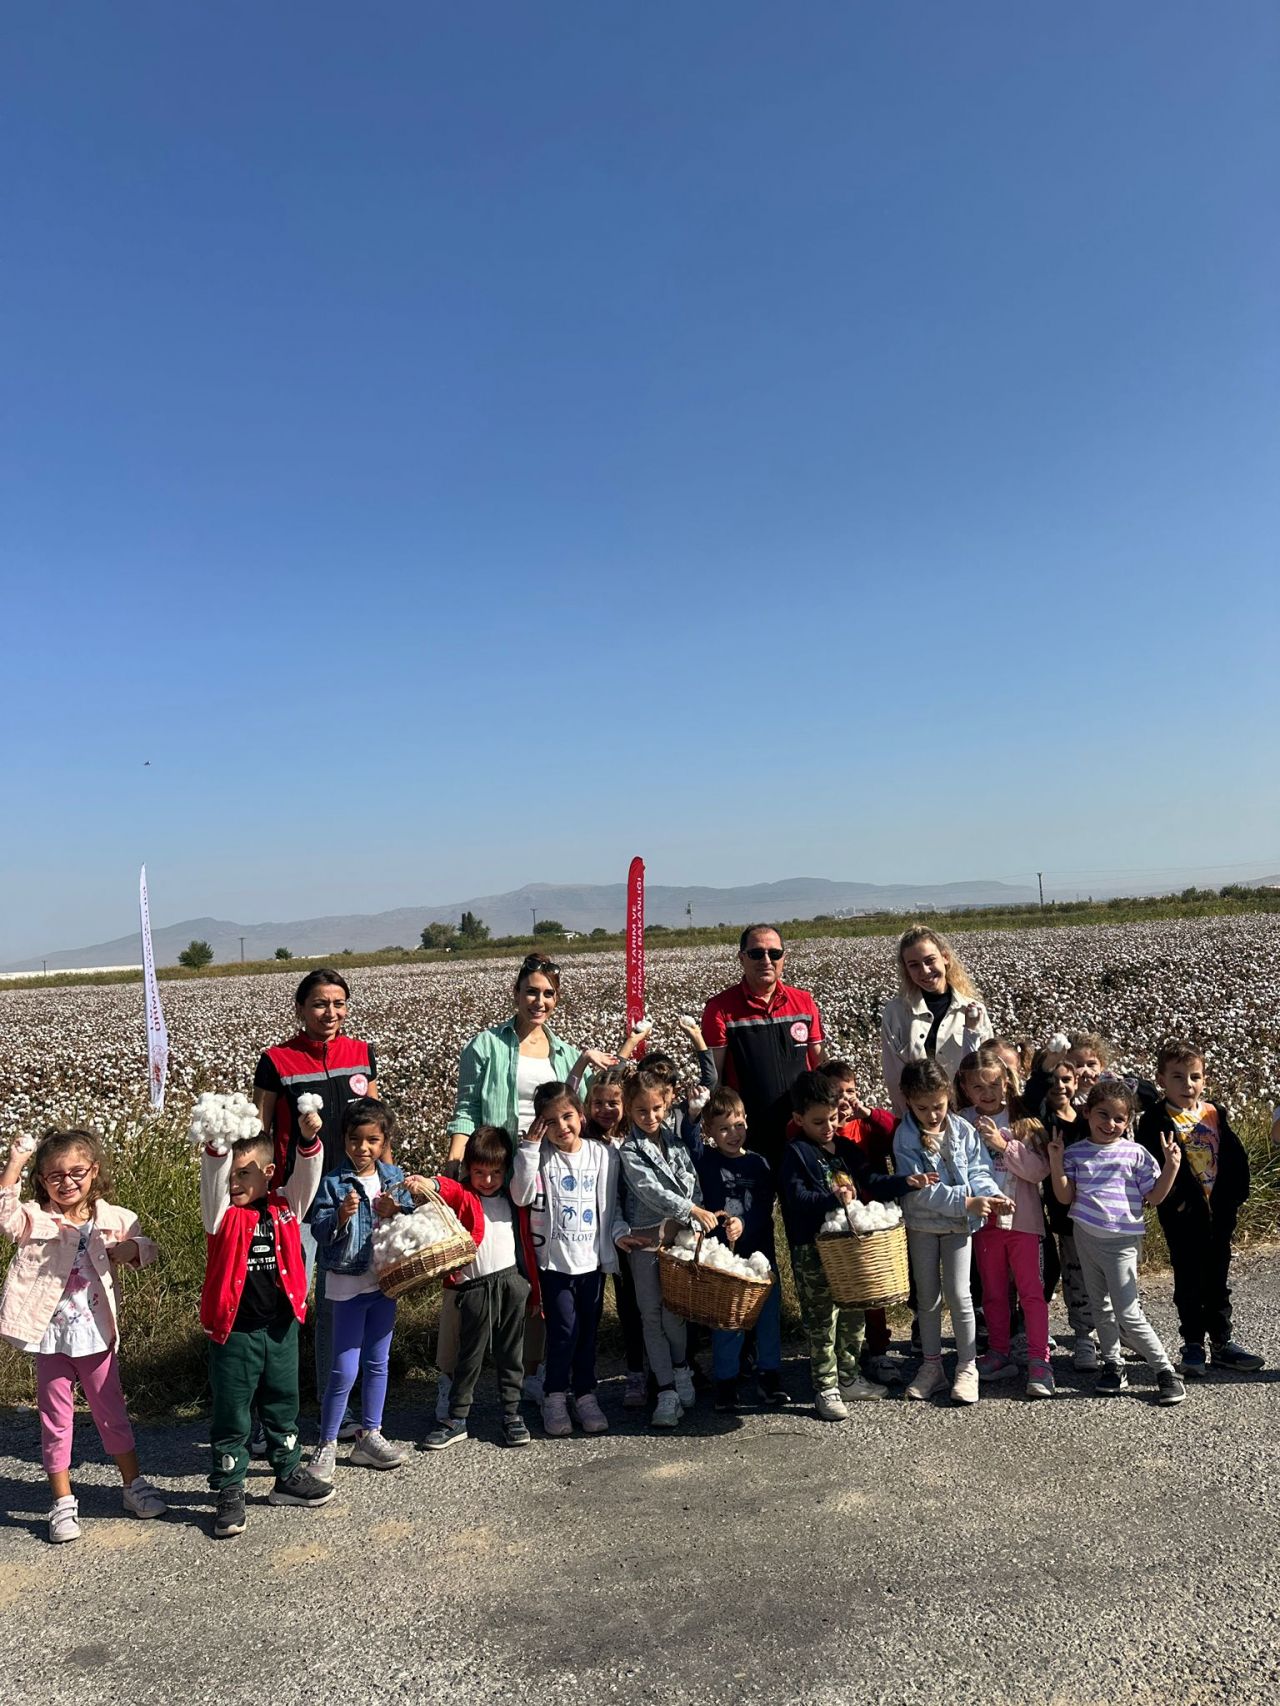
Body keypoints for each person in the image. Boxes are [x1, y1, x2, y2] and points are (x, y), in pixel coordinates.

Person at [438, 954, 613, 1418]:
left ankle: (532, 1375)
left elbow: (585, 1110)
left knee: (534, 1275)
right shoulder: (486, 1045)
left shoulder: (567, 1054)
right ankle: (449, 1378)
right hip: (491, 1175)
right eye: (532, 991)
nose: (540, 1001)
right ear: (515, 994)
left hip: (545, 1179)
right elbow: (465, 1110)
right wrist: (455, 1166)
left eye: (548, 994)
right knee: (466, 1275)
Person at [0, 1129, 167, 1544]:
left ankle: (133, 1484)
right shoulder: (34, 1219)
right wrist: (15, 1162)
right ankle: (62, 1501)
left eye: (76, 1172)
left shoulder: (114, 1218)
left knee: (112, 1413)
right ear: (41, 1180)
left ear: (94, 1172)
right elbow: (4, 1215)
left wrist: (132, 1249)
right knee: (55, 1420)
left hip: (96, 1336)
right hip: (49, 1338)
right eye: (54, 1176)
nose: (67, 1182)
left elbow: (146, 1247)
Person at [253, 967, 379, 1431]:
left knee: (335, 1307)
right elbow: (258, 1134)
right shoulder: (276, 1060)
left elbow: (376, 1124)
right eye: (320, 1004)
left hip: (352, 1198)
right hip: (297, 1201)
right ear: (301, 1009)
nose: (331, 1012)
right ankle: (271, 1417)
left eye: (339, 1004)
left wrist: (386, 1180)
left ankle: (335, 1410)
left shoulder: (361, 1053)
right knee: (284, 1304)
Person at [199, 1110, 335, 1539]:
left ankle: (287, 1474)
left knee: (282, 1403)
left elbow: (307, 1178)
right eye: (230, 1174)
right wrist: (217, 1146)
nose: (234, 1183)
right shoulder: (220, 1214)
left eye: (244, 1173)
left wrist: (308, 1141)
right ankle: (229, 1487)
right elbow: (213, 1180)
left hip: (280, 1328)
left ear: (269, 1174)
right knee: (233, 1412)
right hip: (234, 1333)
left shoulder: (285, 1206)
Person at [780, 1071, 925, 1420]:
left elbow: (871, 1179)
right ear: (798, 1119)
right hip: (813, 1248)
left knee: (853, 1312)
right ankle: (825, 1387)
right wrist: (832, 1199)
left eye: (833, 1118)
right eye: (818, 1122)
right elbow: (796, 1198)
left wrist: (905, 1182)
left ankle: (848, 1376)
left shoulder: (845, 1149)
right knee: (822, 1320)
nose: (829, 1127)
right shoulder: (795, 1153)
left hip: (848, 1248)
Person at [1048, 1081, 1186, 1405]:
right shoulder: (1075, 1153)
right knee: (1100, 1306)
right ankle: (1113, 1364)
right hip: (1086, 1237)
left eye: (1119, 1118)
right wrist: (1056, 1161)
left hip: (1122, 1241)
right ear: (1087, 1113)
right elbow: (1065, 1196)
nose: (1110, 1124)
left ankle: (1164, 1370)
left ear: (1129, 1121)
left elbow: (1154, 1196)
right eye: (1103, 1114)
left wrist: (1171, 1167)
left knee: (1128, 1312)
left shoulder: (1136, 1154)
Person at [1136, 1041, 1263, 1377]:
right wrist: (1176, 1202)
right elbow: (1149, 1165)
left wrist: (1235, 1198)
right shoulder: (1154, 1120)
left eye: (1195, 1076)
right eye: (1177, 1077)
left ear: (1204, 1079)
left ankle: (1222, 1343)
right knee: (1189, 1280)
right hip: (1182, 1217)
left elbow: (1234, 1157)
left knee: (1217, 1279)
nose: (1187, 1084)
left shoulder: (1214, 1113)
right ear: (1161, 1080)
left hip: (1218, 1214)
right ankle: (1192, 1342)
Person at [307, 1100, 416, 1481]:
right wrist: (340, 1216)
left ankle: (370, 1434)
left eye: (372, 1140)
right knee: (343, 1369)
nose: (363, 1148)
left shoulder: (393, 1177)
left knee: (378, 1362)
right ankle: (327, 1442)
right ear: (344, 1140)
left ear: (385, 1142)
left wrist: (395, 1209)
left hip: (385, 1281)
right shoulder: (333, 1182)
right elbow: (319, 1230)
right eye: (355, 1140)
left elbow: (410, 1219)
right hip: (348, 1283)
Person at [893, 1060, 1012, 1406]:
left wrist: (992, 1195)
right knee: (928, 1298)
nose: (932, 1115)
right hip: (923, 1225)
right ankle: (932, 1366)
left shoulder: (963, 1129)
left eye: (938, 1106)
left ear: (949, 1095)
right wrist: (967, 1201)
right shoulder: (905, 1136)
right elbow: (919, 1191)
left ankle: (967, 1366)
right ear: (908, 1101)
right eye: (922, 1108)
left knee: (961, 1296)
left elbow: (979, 1169)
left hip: (959, 1226)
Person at [512, 1082, 626, 1436]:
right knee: (563, 1332)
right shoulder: (540, 1156)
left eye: (567, 1117)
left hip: (591, 1263)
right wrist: (529, 1149)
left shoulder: (602, 1155)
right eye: (551, 1122)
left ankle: (585, 1394)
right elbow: (520, 1196)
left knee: (587, 1332)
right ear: (540, 1126)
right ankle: (555, 1395)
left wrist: (620, 1235)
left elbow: (612, 1204)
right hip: (554, 1265)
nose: (562, 1127)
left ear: (581, 1115)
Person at [425, 1126, 539, 1451]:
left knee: (512, 1353)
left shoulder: (513, 1200)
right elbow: (448, 1189)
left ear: (506, 1170)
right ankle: (457, 1417)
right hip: (474, 1290)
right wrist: (431, 1183)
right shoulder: (466, 1196)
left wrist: (532, 1289)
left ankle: (512, 1414)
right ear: (468, 1170)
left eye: (495, 1173)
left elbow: (527, 1249)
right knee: (469, 1356)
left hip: (512, 1284)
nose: (487, 1180)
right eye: (479, 1172)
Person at [617, 1068, 717, 1429]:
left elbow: (692, 1181)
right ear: (629, 1109)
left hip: (676, 1240)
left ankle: (680, 1368)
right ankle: (665, 1388)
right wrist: (690, 1210)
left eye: (657, 1109)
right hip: (645, 1241)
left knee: (674, 1312)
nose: (650, 1117)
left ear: (667, 1104)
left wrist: (695, 1216)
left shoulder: (674, 1142)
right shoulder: (630, 1150)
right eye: (641, 1111)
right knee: (650, 1314)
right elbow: (649, 1191)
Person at [700, 925, 825, 1170]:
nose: (766, 960)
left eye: (774, 953)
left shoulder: (804, 1001)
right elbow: (715, 1075)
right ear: (741, 958)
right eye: (756, 953)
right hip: (750, 1132)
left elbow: (819, 1063)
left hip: (803, 1128)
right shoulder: (719, 1008)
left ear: (783, 957)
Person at [696, 1086, 787, 1411]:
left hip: (760, 1258)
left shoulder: (759, 1164)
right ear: (709, 1131)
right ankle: (726, 1381)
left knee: (768, 1318)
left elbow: (764, 1206)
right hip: (726, 1262)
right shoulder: (706, 1161)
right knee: (728, 1321)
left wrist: (745, 1223)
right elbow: (688, 1142)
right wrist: (693, 1111)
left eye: (738, 1125)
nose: (733, 1134)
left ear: (746, 1120)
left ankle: (769, 1376)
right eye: (723, 1129)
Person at [812, 1059, 902, 1384]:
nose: (845, 1099)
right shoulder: (820, 1131)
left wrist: (867, 1113)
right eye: (837, 1093)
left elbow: (896, 1133)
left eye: (850, 1091)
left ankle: (877, 1350)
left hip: (868, 1225)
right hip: (834, 1226)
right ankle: (842, 1356)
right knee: (839, 1292)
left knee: (871, 1289)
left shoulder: (864, 1127)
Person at [971, 1115, 1053, 1398]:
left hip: (1024, 1224)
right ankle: (999, 1352)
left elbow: (1039, 1170)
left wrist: (1003, 1145)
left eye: (994, 1090)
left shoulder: (1027, 1125)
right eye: (979, 1091)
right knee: (993, 1292)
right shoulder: (968, 1124)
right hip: (987, 1224)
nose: (987, 1095)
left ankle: (1039, 1360)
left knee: (1031, 1293)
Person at [583, 1067, 648, 1408]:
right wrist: (583, 1062)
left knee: (631, 1307)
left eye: (613, 1103)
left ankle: (637, 1372)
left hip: (625, 1235)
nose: (605, 1110)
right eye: (598, 1103)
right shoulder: (583, 1138)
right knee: (588, 1310)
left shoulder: (631, 1140)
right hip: (589, 1237)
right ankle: (580, 1379)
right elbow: (567, 1095)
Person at [881, 927, 993, 1114]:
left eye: (930, 960)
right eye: (914, 965)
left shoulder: (974, 1010)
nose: (925, 971)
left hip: (968, 1117)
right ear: (906, 970)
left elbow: (988, 1068)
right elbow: (894, 1079)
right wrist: (913, 1120)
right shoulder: (895, 1014)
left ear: (945, 958)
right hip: (917, 1119)